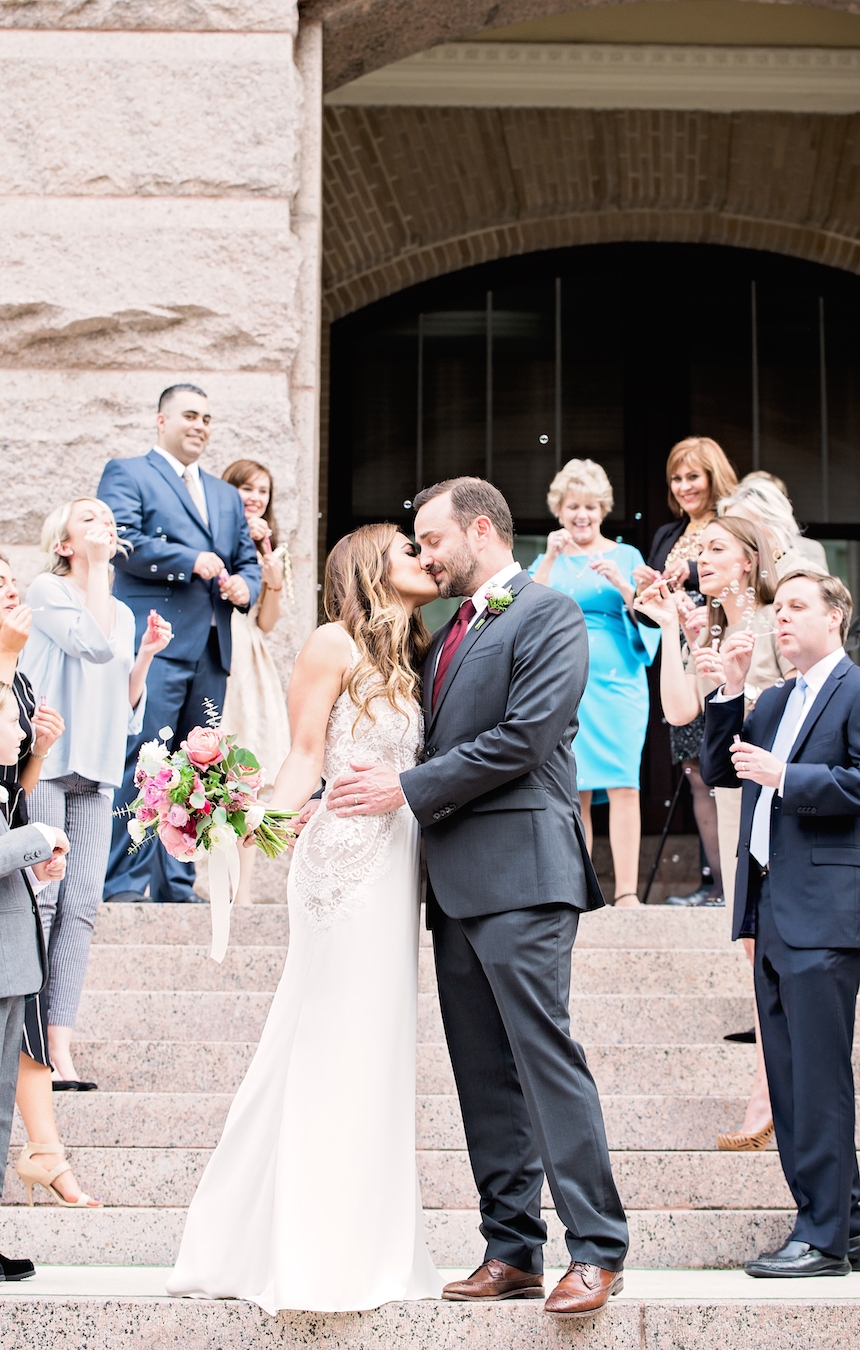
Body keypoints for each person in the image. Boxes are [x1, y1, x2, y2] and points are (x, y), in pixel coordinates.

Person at [326, 478, 628, 1318]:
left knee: (542, 1060)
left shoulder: (548, 614)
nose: (423, 556)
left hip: (526, 874)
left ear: (482, 529)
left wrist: (406, 789)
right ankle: (512, 1248)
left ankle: (597, 1248)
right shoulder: (447, 628)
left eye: (431, 539)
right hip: (453, 883)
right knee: (481, 1075)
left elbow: (526, 738)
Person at [168, 524, 443, 1311]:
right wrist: (246, 826)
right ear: (368, 568)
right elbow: (302, 754)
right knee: (332, 1037)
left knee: (379, 1043)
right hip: (342, 866)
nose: (425, 561)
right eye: (409, 551)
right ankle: (311, 1248)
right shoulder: (331, 642)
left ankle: (370, 1239)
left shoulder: (409, 655)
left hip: (399, 862)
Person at [701, 570, 860, 1278]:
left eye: (798, 607)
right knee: (792, 1075)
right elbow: (719, 769)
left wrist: (788, 777)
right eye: (778, 608)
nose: (782, 619)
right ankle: (842, 1219)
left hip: (826, 914)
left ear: (837, 617)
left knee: (817, 1077)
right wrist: (730, 692)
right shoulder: (773, 701)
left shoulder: (854, 689)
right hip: (770, 907)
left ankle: (820, 1237)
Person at [635, 517, 791, 1152]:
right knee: (753, 947)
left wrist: (741, 689)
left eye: (715, 549)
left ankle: (774, 1091)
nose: (702, 559)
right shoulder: (713, 627)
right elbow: (679, 713)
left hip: (784, 797)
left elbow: (802, 701)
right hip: (737, 805)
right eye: (698, 550)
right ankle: (769, 1087)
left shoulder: (780, 617)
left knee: (779, 949)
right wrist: (675, 628)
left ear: (749, 561)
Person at [0, 554, 98, 1206]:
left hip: (4, 878)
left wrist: (39, 751)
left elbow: (10, 793)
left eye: (17, 580)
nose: (15, 591)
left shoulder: (18, 683)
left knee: (0, 1081)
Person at [20, 499, 172, 1089]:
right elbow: (87, 643)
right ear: (63, 543)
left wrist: (147, 660)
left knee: (82, 907)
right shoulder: (46, 591)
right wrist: (99, 572)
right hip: (49, 762)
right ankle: (27, 1039)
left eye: (108, 520)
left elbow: (127, 709)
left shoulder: (122, 613)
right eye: (87, 519)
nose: (102, 523)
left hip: (98, 767)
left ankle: (60, 1046)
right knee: (44, 901)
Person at [98, 384, 263, 903]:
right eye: (190, 415)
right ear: (160, 420)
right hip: (159, 643)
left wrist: (245, 587)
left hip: (213, 649)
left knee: (198, 771)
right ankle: (123, 884)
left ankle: (178, 884)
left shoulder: (222, 493)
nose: (200, 425)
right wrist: (187, 560)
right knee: (145, 760)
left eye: (208, 418)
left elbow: (247, 562)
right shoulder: (128, 472)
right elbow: (119, 540)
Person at [0, 671, 69, 1284]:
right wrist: (40, 834)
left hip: (3, 972)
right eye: (11, 721)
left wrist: (34, 868)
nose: (22, 729)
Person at [530, 460, 659, 907]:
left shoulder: (626, 556)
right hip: (565, 680)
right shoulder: (547, 558)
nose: (581, 514)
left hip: (619, 681)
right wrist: (548, 557)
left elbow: (650, 613)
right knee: (573, 784)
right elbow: (527, 606)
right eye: (572, 506)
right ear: (559, 511)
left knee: (624, 781)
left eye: (589, 506)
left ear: (602, 509)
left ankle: (626, 892)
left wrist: (624, 586)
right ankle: (576, 889)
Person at [634, 437, 739, 907]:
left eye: (693, 476)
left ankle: (735, 885)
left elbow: (741, 577)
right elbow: (646, 616)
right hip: (679, 659)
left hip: (720, 651)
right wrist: (646, 593)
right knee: (697, 773)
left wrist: (687, 575)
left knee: (728, 771)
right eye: (677, 478)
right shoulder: (664, 535)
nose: (684, 486)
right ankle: (715, 883)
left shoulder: (732, 526)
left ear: (713, 475)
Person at [219, 460, 290, 904]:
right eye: (246, 487)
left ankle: (241, 890)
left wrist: (273, 576)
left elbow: (264, 621)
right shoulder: (214, 533)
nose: (255, 497)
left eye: (263, 490)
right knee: (210, 773)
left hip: (247, 655)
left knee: (245, 777)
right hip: (215, 649)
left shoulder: (270, 548)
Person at [718, 476, 829, 578]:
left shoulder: (803, 575)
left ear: (776, 525)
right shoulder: (737, 577)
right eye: (727, 530)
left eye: (741, 527)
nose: (732, 537)